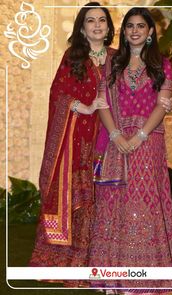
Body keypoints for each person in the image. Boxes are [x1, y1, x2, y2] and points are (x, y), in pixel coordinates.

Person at [89, 7, 172, 294]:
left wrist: (141, 135)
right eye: (130, 26)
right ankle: (112, 277)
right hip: (116, 140)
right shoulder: (112, 64)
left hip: (149, 141)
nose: (135, 30)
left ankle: (147, 278)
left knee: (145, 203)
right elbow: (102, 103)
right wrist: (115, 134)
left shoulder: (162, 65)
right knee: (115, 204)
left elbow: (163, 104)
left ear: (149, 33)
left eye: (140, 26)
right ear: (124, 32)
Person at [29, 2, 115, 280]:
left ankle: (105, 262)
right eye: (91, 21)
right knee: (78, 202)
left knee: (107, 202)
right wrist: (84, 107)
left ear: (109, 27)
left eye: (102, 20)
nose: (97, 25)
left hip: (111, 141)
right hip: (77, 142)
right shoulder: (73, 58)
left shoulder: (117, 58)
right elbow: (58, 95)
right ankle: (68, 264)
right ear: (82, 27)